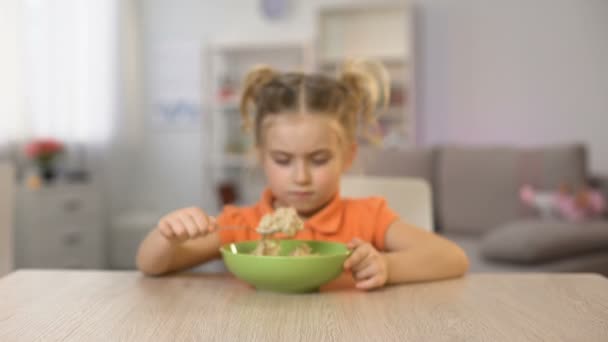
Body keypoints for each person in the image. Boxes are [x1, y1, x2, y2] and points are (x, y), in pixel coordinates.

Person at [136, 60, 469, 290]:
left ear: (347, 156)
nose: (301, 177)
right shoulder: (243, 224)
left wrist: (387, 267)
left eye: (319, 159)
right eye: (283, 160)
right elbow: (151, 265)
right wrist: (167, 236)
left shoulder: (367, 218)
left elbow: (452, 257)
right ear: (260, 156)